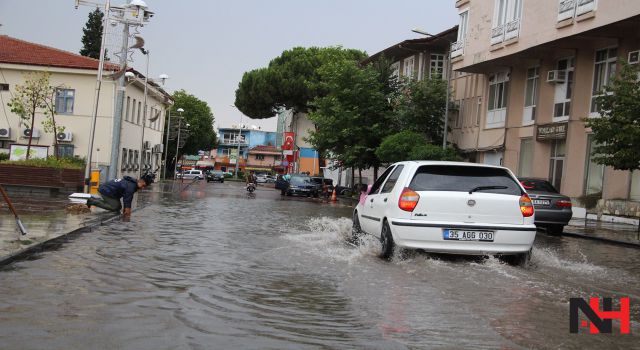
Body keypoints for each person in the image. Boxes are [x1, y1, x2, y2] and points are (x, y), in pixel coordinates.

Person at [86, 173, 154, 217]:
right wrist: (127, 217)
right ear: (141, 181)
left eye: (145, 187)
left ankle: (96, 200)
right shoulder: (131, 187)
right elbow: (127, 201)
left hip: (110, 191)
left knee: (118, 207)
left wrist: (125, 211)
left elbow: (126, 200)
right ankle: (92, 201)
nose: (143, 188)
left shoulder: (133, 183)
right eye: (143, 185)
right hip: (105, 191)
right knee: (115, 207)